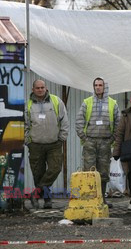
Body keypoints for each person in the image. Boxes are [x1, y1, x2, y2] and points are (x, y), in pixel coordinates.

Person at [75, 77, 120, 208]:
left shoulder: (113, 103)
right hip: (90, 141)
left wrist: (112, 139)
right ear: (93, 87)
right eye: (96, 85)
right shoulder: (87, 102)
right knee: (88, 170)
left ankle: (101, 199)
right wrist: (84, 138)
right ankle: (89, 199)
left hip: (105, 142)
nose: (98, 87)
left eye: (100, 85)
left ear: (105, 87)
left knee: (103, 171)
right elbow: (79, 121)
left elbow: (119, 123)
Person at [25, 79, 69, 209]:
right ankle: (47, 200)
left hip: (54, 143)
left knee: (55, 168)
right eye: (37, 88)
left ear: (46, 88)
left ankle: (35, 193)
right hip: (35, 145)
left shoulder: (56, 101)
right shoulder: (28, 105)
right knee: (38, 173)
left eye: (42, 87)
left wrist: (62, 137)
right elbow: (25, 125)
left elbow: (64, 120)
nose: (40, 90)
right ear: (33, 89)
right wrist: (28, 141)